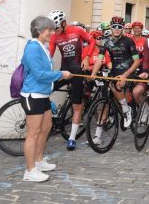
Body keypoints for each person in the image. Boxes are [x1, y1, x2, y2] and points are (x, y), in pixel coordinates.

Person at [21, 16, 72, 182]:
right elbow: (40, 74)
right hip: (33, 95)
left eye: (52, 29)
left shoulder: (40, 46)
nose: (52, 32)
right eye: (49, 30)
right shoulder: (32, 48)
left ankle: (39, 160)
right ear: (39, 31)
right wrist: (61, 74)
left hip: (42, 95)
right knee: (33, 133)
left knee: (46, 128)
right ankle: (30, 171)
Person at [48, 10, 96, 151]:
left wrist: (86, 57)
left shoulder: (77, 30)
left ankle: (72, 138)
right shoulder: (54, 37)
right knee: (46, 89)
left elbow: (92, 41)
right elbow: (50, 55)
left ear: (63, 23)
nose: (54, 31)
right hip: (64, 71)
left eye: (56, 28)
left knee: (77, 106)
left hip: (77, 72)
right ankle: (53, 112)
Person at [89, 16, 141, 144]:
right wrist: (93, 74)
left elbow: (137, 61)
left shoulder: (128, 41)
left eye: (119, 27)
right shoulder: (106, 42)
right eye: (114, 27)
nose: (117, 29)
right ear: (111, 27)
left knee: (116, 85)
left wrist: (126, 75)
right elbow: (100, 59)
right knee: (104, 103)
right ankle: (98, 135)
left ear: (123, 28)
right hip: (114, 72)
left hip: (128, 71)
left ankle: (125, 109)